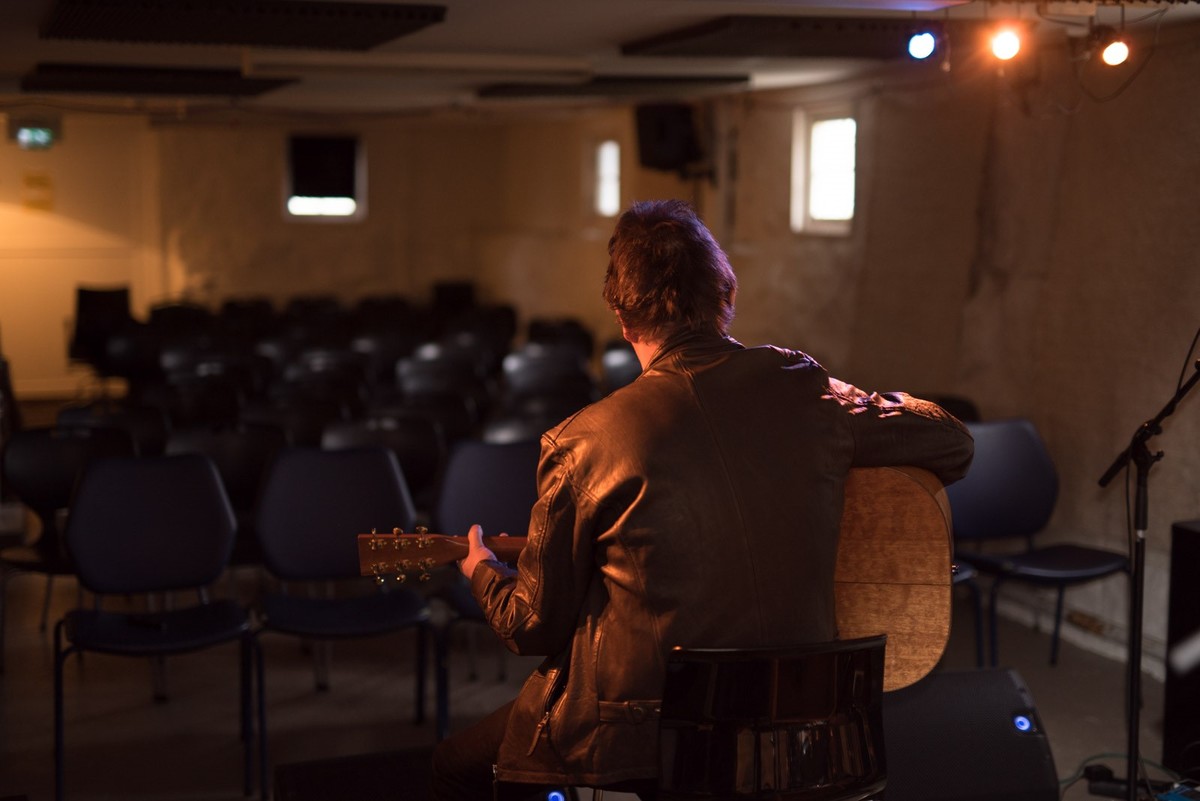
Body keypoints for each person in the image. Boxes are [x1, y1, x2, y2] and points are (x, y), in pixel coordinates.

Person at [431, 198, 974, 800]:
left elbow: (532, 625)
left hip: (651, 730)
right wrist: (843, 399)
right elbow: (952, 442)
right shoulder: (805, 390)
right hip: (796, 715)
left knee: (453, 766)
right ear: (725, 296)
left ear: (622, 317)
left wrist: (482, 570)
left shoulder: (583, 440)